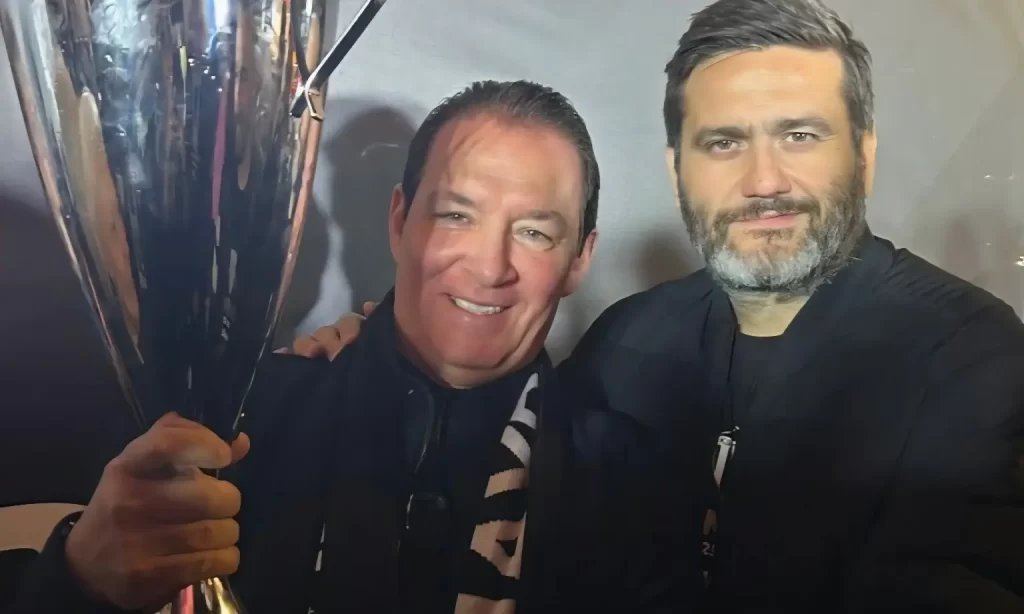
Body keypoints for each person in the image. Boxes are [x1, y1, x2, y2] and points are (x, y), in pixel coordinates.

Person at [289, 1, 1024, 611]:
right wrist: (375, 349)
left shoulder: (971, 360)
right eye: (724, 142)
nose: (764, 180)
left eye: (800, 135)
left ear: (862, 154)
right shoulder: (628, 343)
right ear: (679, 170)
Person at [3, 81, 703, 614]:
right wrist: (78, 580)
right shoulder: (235, 421)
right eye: (456, 215)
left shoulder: (630, 486)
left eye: (535, 233)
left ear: (579, 260)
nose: (490, 268)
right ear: (400, 221)